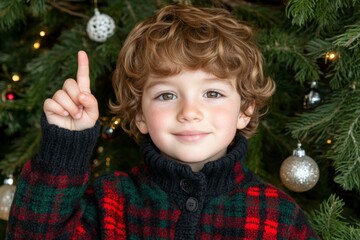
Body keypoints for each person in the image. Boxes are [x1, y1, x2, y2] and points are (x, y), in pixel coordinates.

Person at [7, 4, 320, 240]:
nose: (189, 111)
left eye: (212, 92)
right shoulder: (110, 201)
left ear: (245, 110)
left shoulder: (277, 215)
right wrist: (65, 147)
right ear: (140, 115)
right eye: (167, 95)